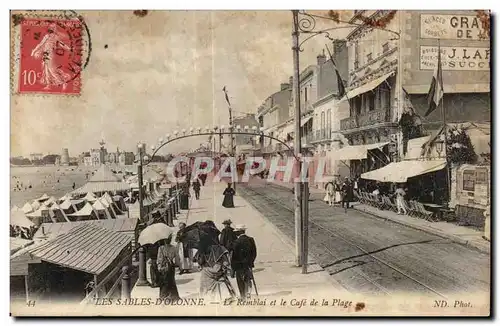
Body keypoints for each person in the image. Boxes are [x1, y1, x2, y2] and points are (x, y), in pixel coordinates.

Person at [196, 234, 234, 299]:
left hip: (218, 271)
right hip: (211, 272)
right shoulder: (203, 251)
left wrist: (223, 267)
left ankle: (206, 294)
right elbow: (201, 263)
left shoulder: (218, 249)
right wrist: (200, 259)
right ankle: (206, 294)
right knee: (204, 273)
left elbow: (226, 262)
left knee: (204, 272)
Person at [231, 225, 257, 299]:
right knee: (248, 279)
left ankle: (243, 296)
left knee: (240, 282)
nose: (235, 233)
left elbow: (234, 256)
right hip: (248, 265)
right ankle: (248, 293)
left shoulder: (236, 242)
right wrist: (251, 262)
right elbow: (254, 253)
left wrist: (233, 268)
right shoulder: (251, 239)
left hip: (239, 266)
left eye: (236, 232)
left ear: (239, 232)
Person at [156, 235, 180, 299]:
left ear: (164, 240)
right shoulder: (174, 248)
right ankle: (173, 295)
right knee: (171, 281)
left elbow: (159, 259)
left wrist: (159, 266)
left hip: (163, 266)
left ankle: (163, 296)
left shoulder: (161, 248)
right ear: (170, 240)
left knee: (163, 281)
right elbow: (177, 258)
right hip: (171, 266)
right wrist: (177, 265)